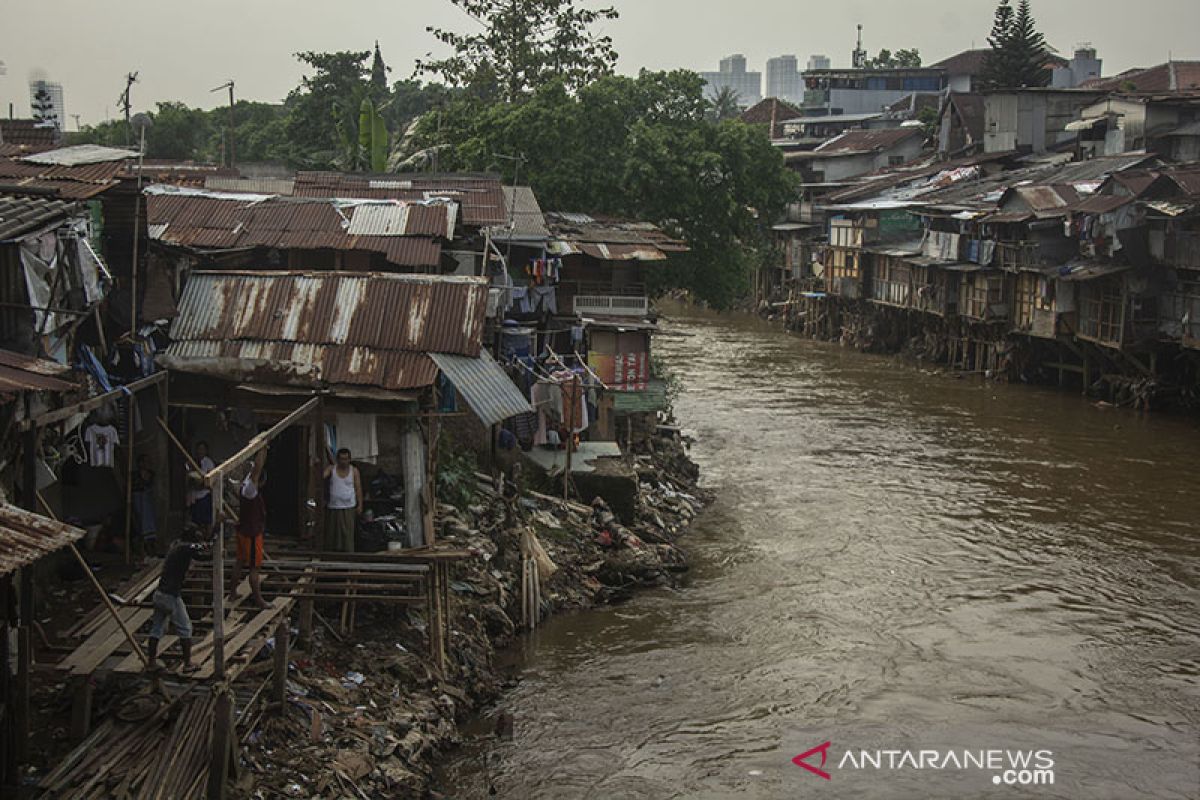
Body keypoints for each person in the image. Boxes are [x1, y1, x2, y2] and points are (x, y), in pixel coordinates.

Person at [147, 526, 209, 673]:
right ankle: (188, 664)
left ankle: (151, 662)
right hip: (171, 596)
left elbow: (199, 555)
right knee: (185, 628)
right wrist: (214, 536)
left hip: (160, 594)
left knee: (157, 629)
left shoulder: (176, 546)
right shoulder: (185, 547)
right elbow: (202, 547)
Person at [232, 449, 268, 608]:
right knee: (254, 568)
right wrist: (262, 448)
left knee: (239, 562)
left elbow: (258, 466)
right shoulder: (251, 489)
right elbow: (258, 469)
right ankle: (258, 599)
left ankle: (232, 592)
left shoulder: (245, 484)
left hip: (243, 530)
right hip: (252, 533)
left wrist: (264, 448)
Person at [324, 448, 362, 553]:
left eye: (346, 459)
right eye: (341, 459)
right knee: (333, 534)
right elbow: (321, 476)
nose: (343, 461)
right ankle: (332, 556)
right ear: (337, 459)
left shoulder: (354, 471)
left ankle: (348, 557)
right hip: (334, 506)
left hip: (348, 506)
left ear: (349, 459)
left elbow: (358, 488)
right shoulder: (332, 469)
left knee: (347, 535)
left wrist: (360, 505)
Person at [130, 454, 158, 557]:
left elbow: (149, 485)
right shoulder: (134, 475)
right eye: (143, 462)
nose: (145, 464)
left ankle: (151, 547)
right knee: (140, 523)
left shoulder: (151, 474)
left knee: (149, 522)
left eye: (147, 462)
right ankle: (143, 550)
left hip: (147, 499)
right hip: (138, 500)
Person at [186, 441, 216, 530]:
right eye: (199, 449)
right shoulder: (192, 461)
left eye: (202, 449)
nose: (200, 451)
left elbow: (210, 479)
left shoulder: (209, 462)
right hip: (194, 495)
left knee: (205, 520)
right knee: (195, 520)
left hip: (204, 494)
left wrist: (202, 482)